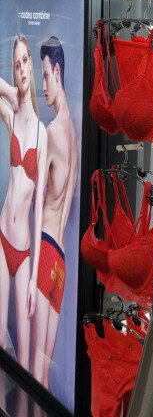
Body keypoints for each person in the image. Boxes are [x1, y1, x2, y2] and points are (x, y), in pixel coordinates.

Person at [31, 37, 77, 387]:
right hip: (61, 262)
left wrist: (31, 275)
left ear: (57, 71)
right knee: (44, 370)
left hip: (45, 251)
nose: (43, 85)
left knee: (34, 369)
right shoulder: (72, 133)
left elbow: (36, 209)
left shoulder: (50, 133)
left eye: (45, 75)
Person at [0, 34, 47, 369]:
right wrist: (11, 92)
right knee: (0, 341)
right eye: (16, 64)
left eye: (25, 61)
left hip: (24, 249)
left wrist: (33, 280)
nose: (21, 68)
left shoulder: (42, 133)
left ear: (32, 63)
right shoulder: (11, 117)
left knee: (26, 358)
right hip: (2, 235)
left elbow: (39, 210)